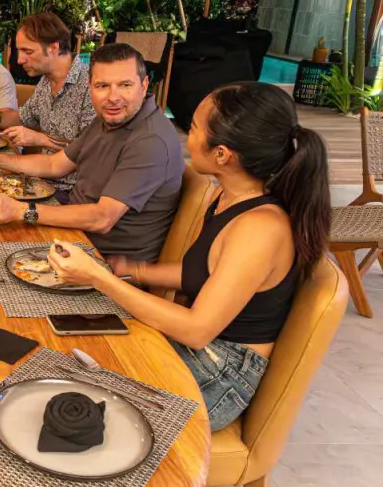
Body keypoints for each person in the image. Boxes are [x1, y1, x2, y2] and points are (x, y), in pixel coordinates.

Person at [46, 82, 330, 430]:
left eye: (193, 128)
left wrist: (100, 279)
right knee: (60, 347)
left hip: (220, 372)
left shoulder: (260, 228)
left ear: (222, 154)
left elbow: (197, 330)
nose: (186, 137)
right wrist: (131, 270)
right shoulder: (228, 197)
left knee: (65, 398)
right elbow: (203, 273)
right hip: (199, 350)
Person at [0, 43, 184, 262]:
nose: (113, 97)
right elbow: (54, 165)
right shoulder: (107, 120)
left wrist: (21, 210)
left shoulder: (150, 140)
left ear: (144, 85)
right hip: (71, 237)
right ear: (90, 85)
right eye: (102, 86)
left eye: (125, 85)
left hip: (101, 262)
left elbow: (102, 218)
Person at [0, 12, 94, 201]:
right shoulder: (46, 82)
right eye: (19, 51)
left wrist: (41, 139)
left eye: (28, 52)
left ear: (54, 47)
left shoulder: (92, 86)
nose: (20, 60)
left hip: (73, 195)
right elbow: (23, 118)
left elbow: (90, 151)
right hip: (40, 182)